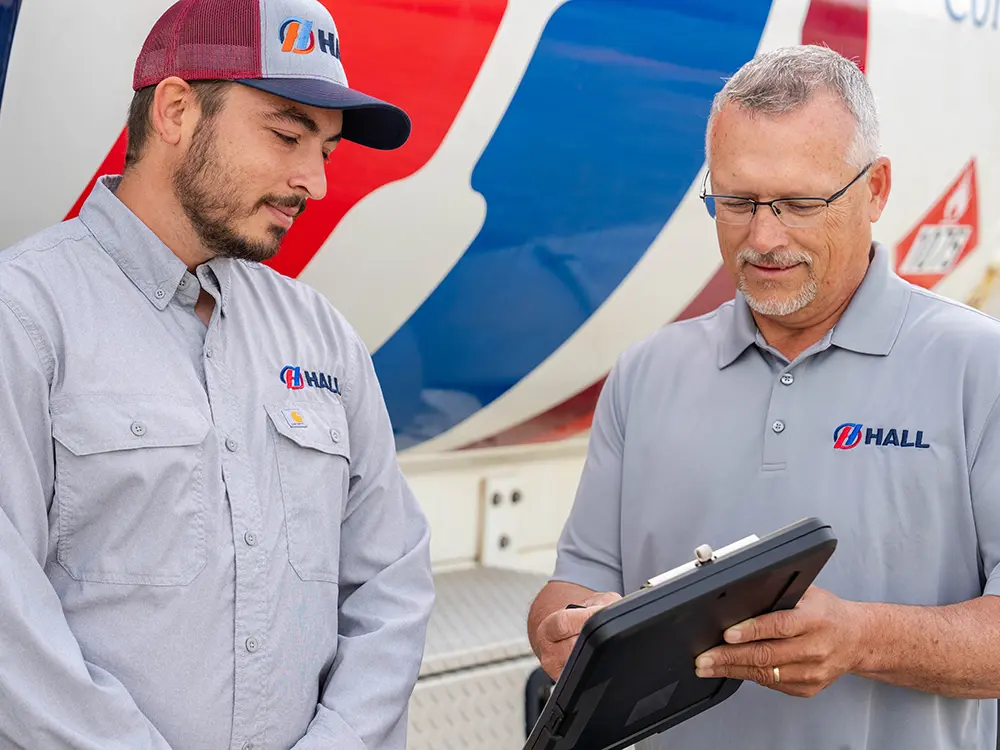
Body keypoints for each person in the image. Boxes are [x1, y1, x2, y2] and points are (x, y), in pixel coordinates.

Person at [527, 44, 1000, 749]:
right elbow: (574, 584)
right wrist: (565, 628)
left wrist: (864, 638)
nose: (764, 237)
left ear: (875, 189)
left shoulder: (978, 366)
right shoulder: (648, 371)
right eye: (737, 201)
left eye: (800, 203)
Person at [0, 0, 434, 748]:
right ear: (174, 111)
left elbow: (390, 584)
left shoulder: (321, 335)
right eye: (288, 134)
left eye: (324, 152)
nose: (314, 182)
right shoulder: (24, 318)